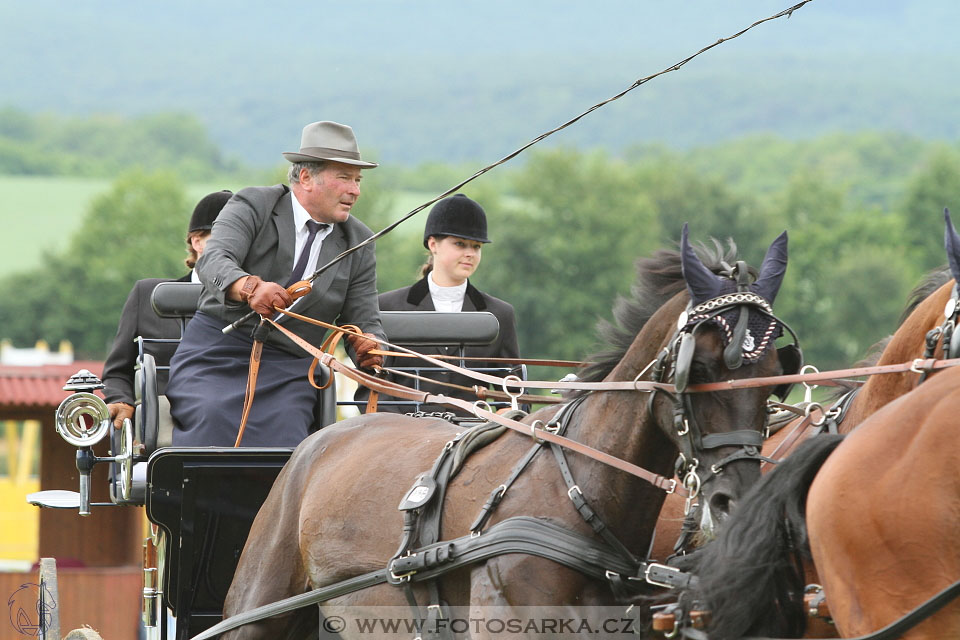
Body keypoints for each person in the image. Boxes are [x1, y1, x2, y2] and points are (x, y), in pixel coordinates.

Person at [165, 121, 385, 447]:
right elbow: (214, 259)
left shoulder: (359, 241)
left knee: (286, 442)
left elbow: (364, 320)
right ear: (306, 177)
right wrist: (249, 287)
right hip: (215, 354)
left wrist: (371, 347)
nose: (355, 190)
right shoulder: (253, 204)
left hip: (290, 370)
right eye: (344, 178)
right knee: (211, 417)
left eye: (357, 180)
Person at [371, 193, 520, 414]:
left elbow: (512, 390)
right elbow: (374, 385)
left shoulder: (499, 313)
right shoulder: (386, 307)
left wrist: (506, 413)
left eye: (476, 246)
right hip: (405, 436)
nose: (470, 253)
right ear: (433, 244)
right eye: (460, 244)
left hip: (474, 437)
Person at [103, 190, 233, 429]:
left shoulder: (257, 305)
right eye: (224, 239)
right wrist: (122, 400)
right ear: (197, 242)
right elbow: (117, 372)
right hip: (160, 429)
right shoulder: (147, 295)